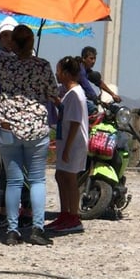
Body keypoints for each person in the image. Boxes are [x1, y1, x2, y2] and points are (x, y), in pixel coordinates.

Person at [0, 25, 59, 246]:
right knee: (37, 179)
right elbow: (53, 92)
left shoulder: (3, 63)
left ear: (11, 43)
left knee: (13, 181)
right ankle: (37, 228)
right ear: (31, 43)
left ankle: (12, 230)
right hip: (36, 128)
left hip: (8, 125)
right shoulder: (42, 65)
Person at [0, 18, 33, 231]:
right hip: (1, 120)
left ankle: (27, 210)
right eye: (3, 35)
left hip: (23, 120)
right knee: (5, 170)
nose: (7, 39)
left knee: (25, 168)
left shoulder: (28, 61)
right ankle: (3, 211)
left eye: (11, 35)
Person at [46, 56, 89, 233]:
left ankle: (73, 216)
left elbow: (75, 123)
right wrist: (56, 101)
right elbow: (65, 112)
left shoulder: (76, 95)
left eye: (58, 71)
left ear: (64, 73)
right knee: (60, 176)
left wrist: (68, 148)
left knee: (70, 178)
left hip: (75, 143)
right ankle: (64, 214)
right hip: (67, 142)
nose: (56, 74)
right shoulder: (69, 94)